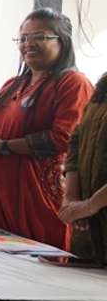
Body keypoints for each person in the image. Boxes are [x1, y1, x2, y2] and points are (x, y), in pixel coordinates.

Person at [0, 9, 92, 250]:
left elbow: (64, 138)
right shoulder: (13, 84)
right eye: (23, 38)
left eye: (39, 37)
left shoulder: (72, 83)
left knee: (33, 264)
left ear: (62, 41)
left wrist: (4, 147)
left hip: (36, 200)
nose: (28, 44)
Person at [59, 73, 107, 262]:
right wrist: (72, 197)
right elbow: (76, 139)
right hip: (89, 229)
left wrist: (89, 205)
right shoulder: (103, 88)